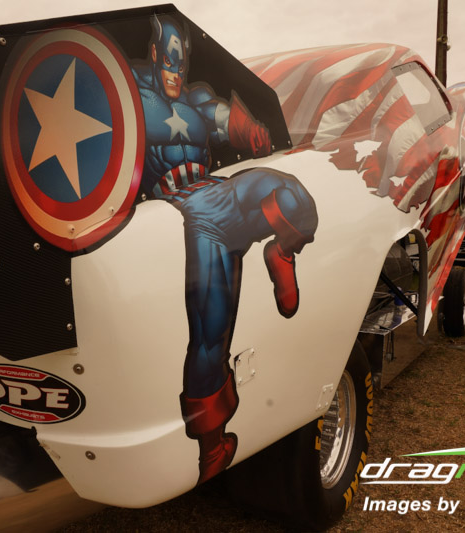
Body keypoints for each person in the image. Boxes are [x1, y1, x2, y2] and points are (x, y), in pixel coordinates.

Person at [132, 15, 319, 483]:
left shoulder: (195, 99)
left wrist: (247, 129)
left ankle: (281, 252)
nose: (175, 69)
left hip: (220, 192)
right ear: (154, 54)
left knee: (293, 195)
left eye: (181, 61)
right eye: (168, 59)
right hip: (188, 213)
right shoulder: (129, 89)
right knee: (211, 334)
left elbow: (226, 119)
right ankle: (212, 447)